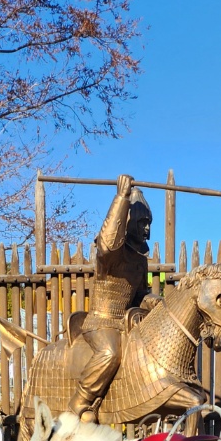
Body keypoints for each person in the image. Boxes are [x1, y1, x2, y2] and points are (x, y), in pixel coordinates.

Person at [69, 174, 159, 421]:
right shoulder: (110, 256)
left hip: (126, 324)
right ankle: (80, 401)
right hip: (101, 323)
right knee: (111, 353)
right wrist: (121, 198)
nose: (147, 228)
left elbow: (139, 294)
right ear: (128, 222)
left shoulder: (140, 260)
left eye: (149, 223)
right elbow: (108, 243)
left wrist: (154, 302)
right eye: (142, 222)